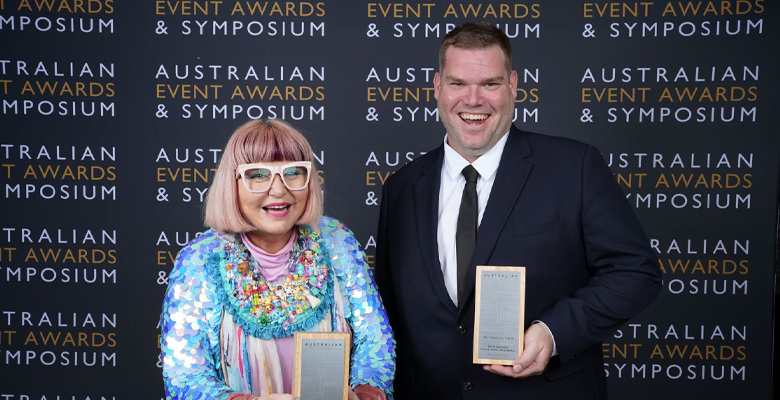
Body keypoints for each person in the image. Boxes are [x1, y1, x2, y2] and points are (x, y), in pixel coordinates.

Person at [374, 22, 661, 399]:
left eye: (490, 84)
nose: (473, 100)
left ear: (513, 85)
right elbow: (386, 312)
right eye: (458, 83)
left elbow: (635, 272)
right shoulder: (402, 187)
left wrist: (553, 332)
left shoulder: (573, 167)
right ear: (437, 88)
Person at [161, 119, 395, 400]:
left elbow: (376, 342)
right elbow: (184, 375)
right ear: (231, 183)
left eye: (293, 172)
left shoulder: (337, 242)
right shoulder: (199, 260)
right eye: (258, 175)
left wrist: (364, 393)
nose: (278, 189)